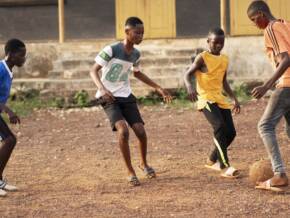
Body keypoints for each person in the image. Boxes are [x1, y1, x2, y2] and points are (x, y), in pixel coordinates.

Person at [90, 17, 172, 186]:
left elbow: (137, 73)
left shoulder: (136, 54)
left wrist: (157, 87)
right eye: (137, 33)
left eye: (142, 33)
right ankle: (130, 171)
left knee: (140, 131)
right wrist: (103, 89)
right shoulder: (111, 49)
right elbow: (93, 70)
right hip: (108, 97)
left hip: (126, 95)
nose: (140, 36)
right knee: (123, 131)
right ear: (127, 32)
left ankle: (143, 163)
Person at [184, 28, 241, 178]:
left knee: (231, 133)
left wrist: (234, 98)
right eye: (215, 42)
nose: (218, 45)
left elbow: (224, 82)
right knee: (219, 127)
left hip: (219, 98)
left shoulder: (224, 59)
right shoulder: (202, 58)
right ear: (208, 41)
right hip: (205, 98)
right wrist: (189, 86)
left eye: (221, 43)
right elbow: (187, 74)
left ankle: (211, 159)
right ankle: (224, 165)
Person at [247, 1, 290, 192]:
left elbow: (286, 59)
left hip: (287, 84)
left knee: (265, 126)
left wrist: (267, 85)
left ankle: (279, 173)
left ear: (262, 14)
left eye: (254, 19)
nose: (255, 24)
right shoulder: (285, 24)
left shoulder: (271, 28)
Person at [0, 39, 26, 197]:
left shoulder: (8, 71)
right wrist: (9, 111)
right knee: (9, 140)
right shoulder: (1, 69)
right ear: (10, 55)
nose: (24, 58)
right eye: (21, 55)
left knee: (10, 140)